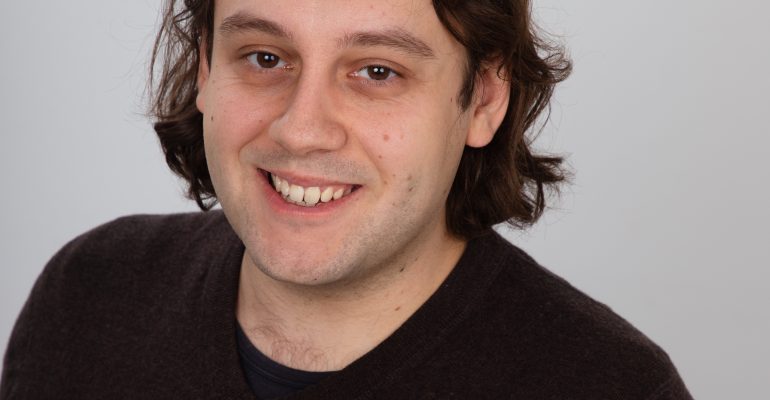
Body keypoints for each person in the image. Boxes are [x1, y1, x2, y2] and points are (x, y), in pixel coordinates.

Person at [1, 0, 693, 399]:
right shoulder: (88, 298)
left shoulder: (611, 388)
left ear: (484, 98)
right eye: (264, 57)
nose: (301, 130)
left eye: (377, 71)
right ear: (207, 68)